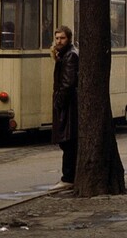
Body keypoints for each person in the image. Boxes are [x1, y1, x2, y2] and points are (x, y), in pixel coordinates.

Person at [51, 25, 79, 190]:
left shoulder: (69, 56)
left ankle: (68, 177)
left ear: (68, 39)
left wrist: (58, 102)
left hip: (68, 107)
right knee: (68, 143)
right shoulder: (65, 55)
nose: (59, 41)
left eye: (62, 38)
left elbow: (67, 84)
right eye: (57, 38)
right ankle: (69, 176)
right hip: (68, 105)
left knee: (68, 142)